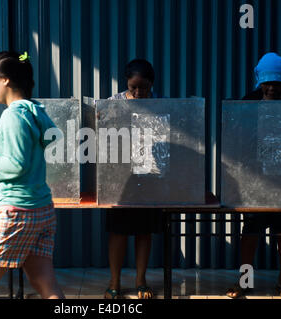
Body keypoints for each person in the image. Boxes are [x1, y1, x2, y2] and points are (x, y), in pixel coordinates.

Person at [0, 51, 65, 299]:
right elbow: (41, 145)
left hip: (16, 213)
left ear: (5, 80)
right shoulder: (35, 111)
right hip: (41, 211)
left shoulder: (14, 115)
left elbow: (17, 165)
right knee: (44, 283)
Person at [226, 52, 281, 299]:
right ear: (260, 81)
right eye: (268, 83)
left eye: (277, 83)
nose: (271, 88)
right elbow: (237, 139)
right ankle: (245, 280)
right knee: (251, 229)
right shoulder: (248, 103)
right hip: (255, 180)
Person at [104, 59, 163, 299]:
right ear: (126, 83)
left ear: (152, 83)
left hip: (149, 176)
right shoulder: (112, 104)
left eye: (144, 87)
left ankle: (141, 280)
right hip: (119, 178)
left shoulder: (159, 105)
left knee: (143, 231)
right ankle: (115, 282)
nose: (139, 92)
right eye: (133, 87)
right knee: (118, 231)